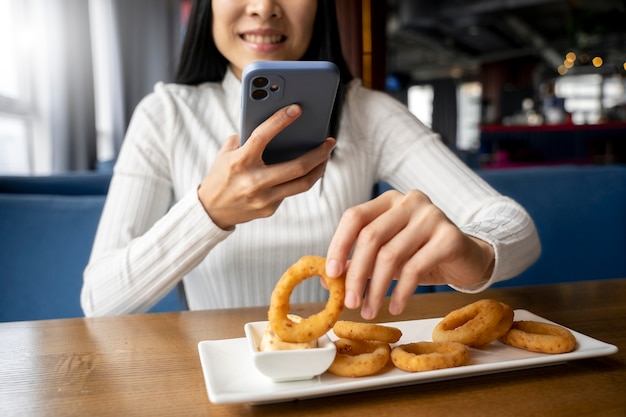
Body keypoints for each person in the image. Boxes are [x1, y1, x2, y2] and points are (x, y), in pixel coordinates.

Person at [81, 0, 540, 319]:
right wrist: (207, 212)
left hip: (345, 370)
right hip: (222, 378)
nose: (264, 8)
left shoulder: (366, 112)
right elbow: (100, 300)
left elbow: (516, 227)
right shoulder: (165, 115)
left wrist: (474, 254)